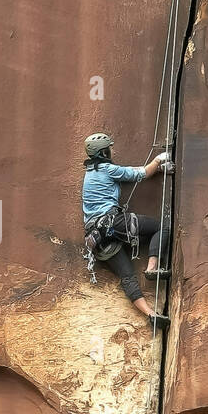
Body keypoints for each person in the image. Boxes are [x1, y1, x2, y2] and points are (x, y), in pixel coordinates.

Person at [81, 132, 173, 326]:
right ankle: (152, 269)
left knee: (127, 276)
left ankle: (151, 315)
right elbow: (141, 173)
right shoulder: (107, 169)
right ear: (104, 152)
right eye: (109, 149)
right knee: (160, 227)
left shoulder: (89, 174)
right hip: (112, 223)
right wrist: (158, 160)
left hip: (96, 238)